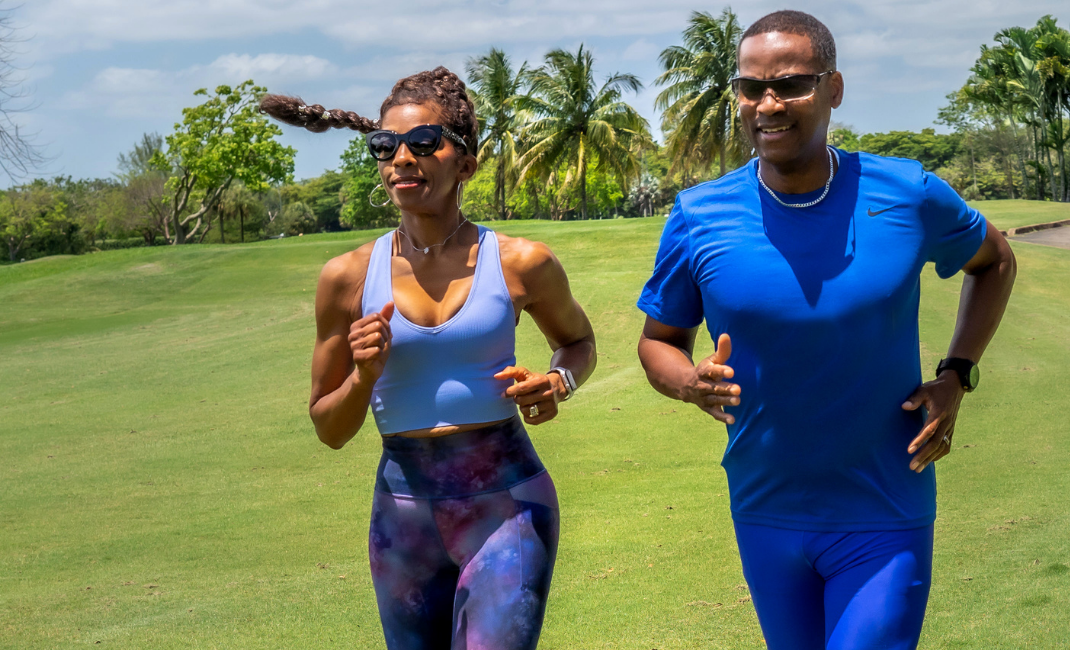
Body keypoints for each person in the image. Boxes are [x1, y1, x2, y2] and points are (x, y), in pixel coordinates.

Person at [635, 11, 1017, 650]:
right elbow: (658, 342)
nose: (769, 104)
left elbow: (995, 261)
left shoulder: (908, 193)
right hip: (765, 508)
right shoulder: (700, 214)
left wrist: (956, 374)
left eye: (792, 84)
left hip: (883, 507)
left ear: (834, 88)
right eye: (751, 87)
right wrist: (690, 383)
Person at [260, 67, 596, 650]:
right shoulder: (346, 279)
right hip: (403, 518)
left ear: (465, 162)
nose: (402, 159)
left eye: (423, 143)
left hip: (508, 508)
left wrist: (558, 380)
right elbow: (329, 429)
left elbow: (580, 343)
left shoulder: (521, 263)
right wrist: (365, 376)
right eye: (386, 147)